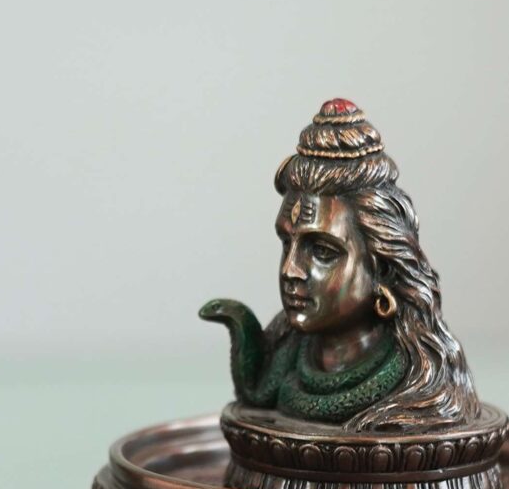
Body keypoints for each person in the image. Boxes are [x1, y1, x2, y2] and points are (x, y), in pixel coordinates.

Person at [200, 99, 480, 432]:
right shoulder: (287, 360)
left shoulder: (420, 390)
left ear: (383, 269)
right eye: (287, 243)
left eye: (322, 251)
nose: (290, 269)